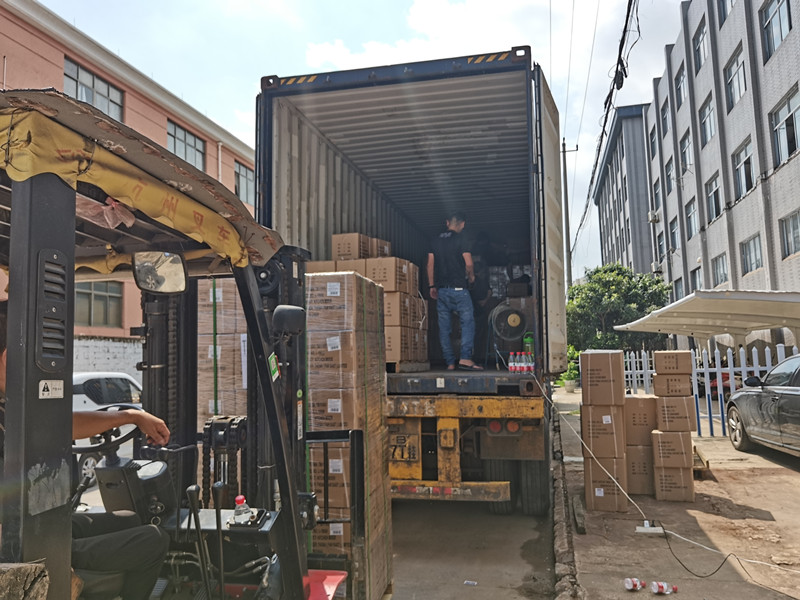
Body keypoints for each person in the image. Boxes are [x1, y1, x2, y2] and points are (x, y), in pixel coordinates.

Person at [0, 300, 171, 600]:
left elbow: (60, 425)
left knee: (129, 518)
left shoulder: (11, 407)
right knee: (154, 540)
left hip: (35, 526)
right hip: (21, 547)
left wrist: (132, 416)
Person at [427, 211, 483, 370]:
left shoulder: (435, 240)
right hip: (459, 290)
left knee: (444, 328)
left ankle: (450, 362)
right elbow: (469, 263)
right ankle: (465, 359)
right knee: (467, 323)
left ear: (447, 223)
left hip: (442, 291)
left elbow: (430, 265)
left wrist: (432, 286)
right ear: (462, 224)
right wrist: (471, 278)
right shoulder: (462, 239)